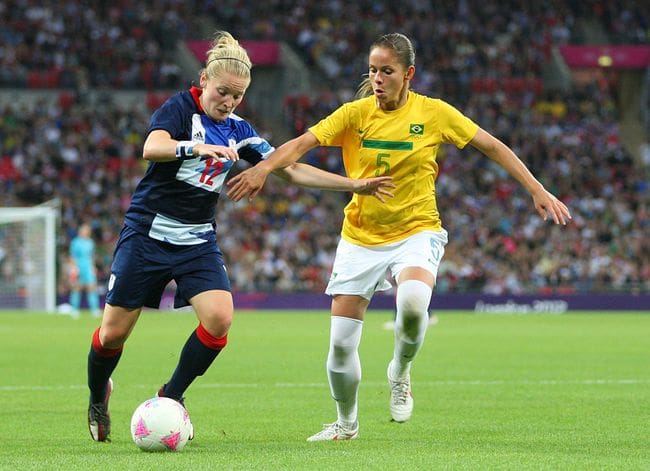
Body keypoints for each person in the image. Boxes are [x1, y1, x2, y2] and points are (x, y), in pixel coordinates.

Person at [227, 32, 571, 441]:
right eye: (372, 70)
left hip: (417, 229)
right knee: (340, 347)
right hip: (360, 236)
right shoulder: (354, 114)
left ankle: (400, 371)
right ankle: (345, 424)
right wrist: (264, 168)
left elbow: (492, 146)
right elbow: (300, 145)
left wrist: (536, 188)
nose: (377, 78)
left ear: (408, 74)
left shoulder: (434, 113)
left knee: (411, 304)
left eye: (386, 71)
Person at [86, 31, 394, 443]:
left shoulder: (239, 131)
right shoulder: (180, 109)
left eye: (238, 95)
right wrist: (196, 149)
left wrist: (353, 185)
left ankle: (171, 396)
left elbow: (291, 168)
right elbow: (152, 146)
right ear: (204, 81)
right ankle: (97, 394)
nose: (228, 102)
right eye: (223, 92)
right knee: (112, 334)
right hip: (147, 234)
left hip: (197, 241)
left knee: (219, 320)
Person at [69, 223, 101, 318]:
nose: (85, 232)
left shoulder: (90, 242)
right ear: (80, 231)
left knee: (92, 287)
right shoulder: (75, 242)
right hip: (79, 266)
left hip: (88, 267)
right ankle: (74, 309)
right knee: (77, 287)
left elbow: (91, 256)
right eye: (84, 230)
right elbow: (72, 256)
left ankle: (94, 309)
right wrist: (74, 268)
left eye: (87, 230)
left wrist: (93, 267)